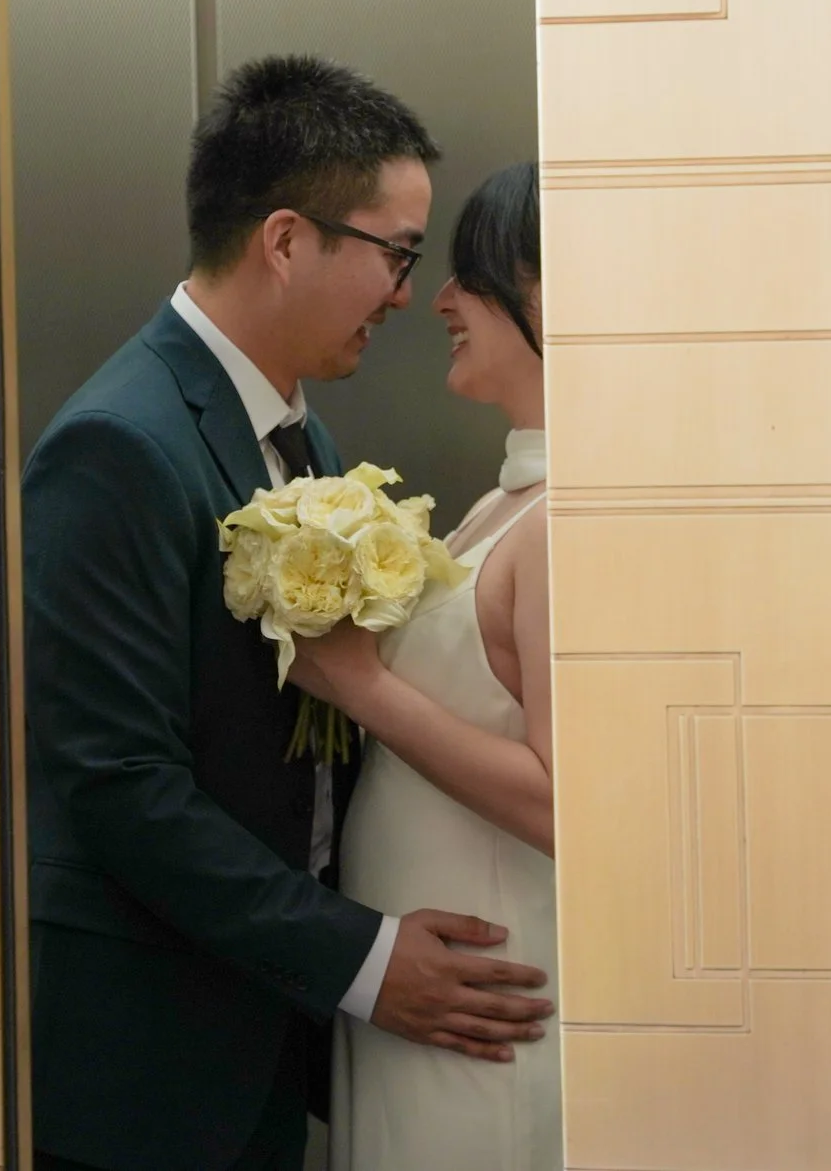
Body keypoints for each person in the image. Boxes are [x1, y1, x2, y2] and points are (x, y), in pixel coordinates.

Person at [22, 59, 555, 1171]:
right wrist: (361, 957)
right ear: (284, 239)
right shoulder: (118, 441)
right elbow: (118, 780)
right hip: (155, 1055)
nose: (410, 291)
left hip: (272, 1019)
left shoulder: (297, 437)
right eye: (398, 252)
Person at [291, 161, 561, 1171]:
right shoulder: (509, 505)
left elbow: (564, 800)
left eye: (471, 273)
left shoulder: (567, 518)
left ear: (546, 292)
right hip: (431, 994)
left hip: (486, 999)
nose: (439, 300)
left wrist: (359, 684)